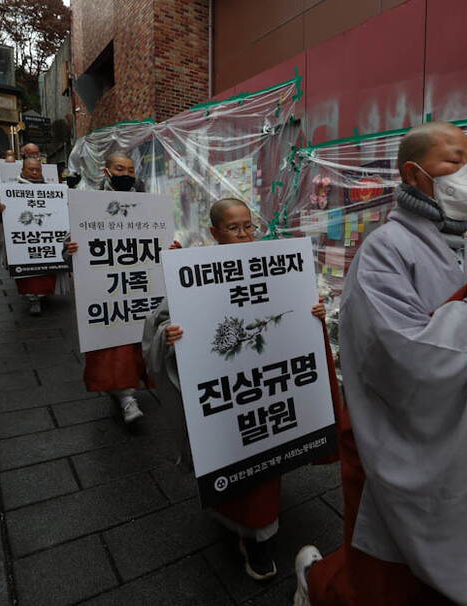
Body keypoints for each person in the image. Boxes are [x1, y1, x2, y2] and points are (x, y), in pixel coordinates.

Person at [294, 122, 467, 606]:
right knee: (393, 576)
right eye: (454, 161)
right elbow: (395, 352)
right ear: (413, 175)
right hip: (409, 433)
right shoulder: (384, 250)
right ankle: (316, 587)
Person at [142, 198, 339, 583]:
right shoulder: (194, 273)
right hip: (229, 395)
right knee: (235, 460)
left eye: (249, 226)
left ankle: (260, 535)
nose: (245, 234)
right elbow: (161, 322)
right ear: (214, 232)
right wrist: (169, 336)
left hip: (268, 391)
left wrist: (313, 313)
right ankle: (254, 536)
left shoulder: (276, 266)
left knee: (264, 466)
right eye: (234, 228)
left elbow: (297, 313)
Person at [64, 152, 150, 424]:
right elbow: (69, 244)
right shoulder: (88, 203)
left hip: (138, 282)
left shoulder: (147, 202)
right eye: (120, 169)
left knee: (140, 338)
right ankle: (125, 396)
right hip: (106, 284)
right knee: (114, 341)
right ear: (106, 171)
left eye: (130, 170)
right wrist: (71, 250)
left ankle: (130, 388)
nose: (126, 174)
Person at [0, 158, 58, 316]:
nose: (35, 173)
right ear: (23, 170)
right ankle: (32, 298)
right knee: (28, 273)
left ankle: (43, 295)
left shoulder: (50, 189)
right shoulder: (11, 189)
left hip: (45, 238)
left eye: (38, 169)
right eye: (31, 169)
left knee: (46, 269)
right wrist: (0, 208)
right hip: (25, 239)